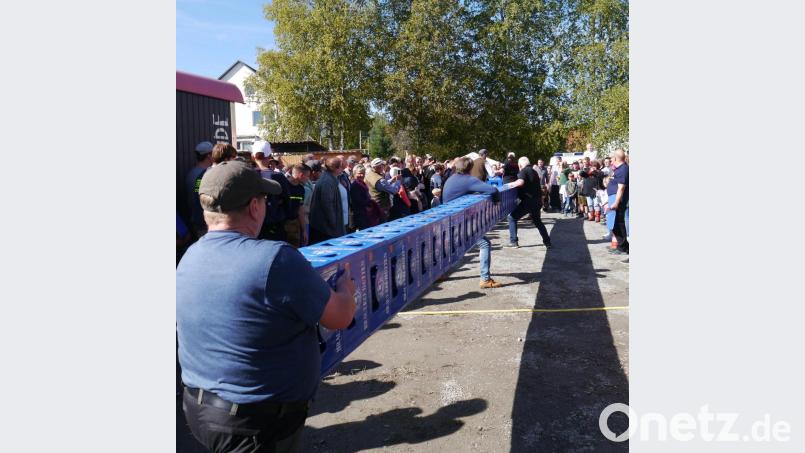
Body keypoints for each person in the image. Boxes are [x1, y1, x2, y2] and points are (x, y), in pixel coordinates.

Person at [177, 160, 357, 452]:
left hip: (202, 410)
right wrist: (346, 290)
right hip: (255, 424)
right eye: (263, 199)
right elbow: (339, 316)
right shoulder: (274, 259)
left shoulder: (190, 256)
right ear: (254, 207)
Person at [442, 156, 502, 289]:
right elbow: (493, 190)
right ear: (470, 168)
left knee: (453, 246)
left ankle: (440, 274)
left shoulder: (451, 178)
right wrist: (497, 202)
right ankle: (485, 279)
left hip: (447, 218)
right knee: (484, 244)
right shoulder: (468, 180)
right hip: (459, 219)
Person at [505, 156, 552, 249]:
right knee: (538, 221)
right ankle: (547, 242)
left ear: (520, 164)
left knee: (511, 217)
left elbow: (520, 182)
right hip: (537, 200)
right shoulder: (534, 171)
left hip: (528, 201)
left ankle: (513, 242)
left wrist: (509, 185)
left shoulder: (524, 171)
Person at [309, 157, 348, 244]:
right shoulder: (327, 181)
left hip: (327, 227)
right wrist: (334, 224)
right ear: (336, 168)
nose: (343, 169)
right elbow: (327, 205)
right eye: (341, 167)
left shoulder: (330, 178)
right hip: (325, 228)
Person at [185, 141, 213, 238]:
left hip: (196, 221)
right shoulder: (202, 175)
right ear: (209, 155)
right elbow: (197, 195)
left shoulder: (191, 173)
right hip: (203, 224)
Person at [607, 149, 629, 254]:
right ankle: (623, 247)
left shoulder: (623, 169)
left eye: (612, 157)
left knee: (619, 226)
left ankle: (626, 248)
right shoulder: (619, 169)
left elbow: (621, 188)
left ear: (615, 158)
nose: (611, 159)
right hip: (616, 199)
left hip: (619, 201)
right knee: (615, 227)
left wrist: (616, 202)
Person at [349, 164, 381, 230]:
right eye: (359, 173)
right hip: (361, 213)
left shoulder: (362, 183)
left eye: (363, 173)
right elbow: (358, 200)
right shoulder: (354, 185)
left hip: (366, 213)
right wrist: (369, 202)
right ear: (354, 173)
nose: (362, 175)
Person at [284, 164, 309, 247]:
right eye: (307, 176)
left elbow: (300, 209)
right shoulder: (284, 186)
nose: (308, 179)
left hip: (294, 226)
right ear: (301, 175)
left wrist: (304, 230)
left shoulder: (301, 189)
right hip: (281, 226)